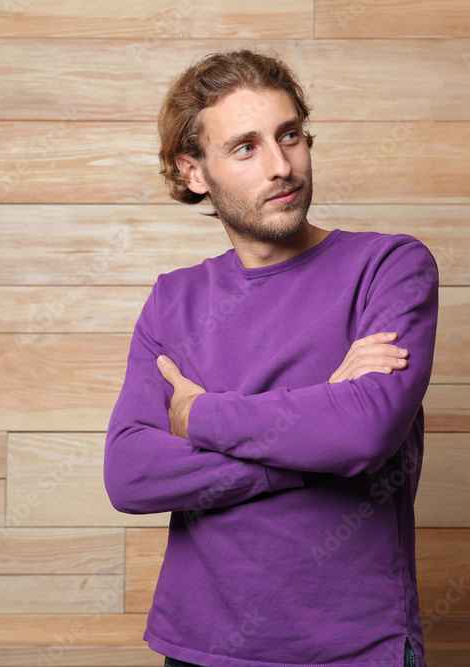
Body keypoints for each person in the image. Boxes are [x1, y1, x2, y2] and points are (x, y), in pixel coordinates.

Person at [103, 49, 438, 667]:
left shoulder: (389, 267)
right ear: (194, 171)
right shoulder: (173, 300)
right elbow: (131, 474)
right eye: (245, 147)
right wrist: (314, 434)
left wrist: (199, 417)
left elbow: (364, 433)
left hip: (356, 650)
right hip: (201, 647)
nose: (281, 167)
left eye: (290, 137)